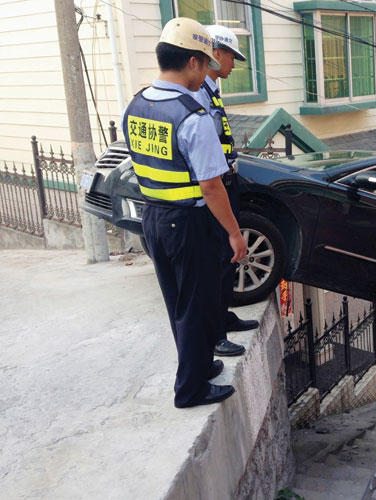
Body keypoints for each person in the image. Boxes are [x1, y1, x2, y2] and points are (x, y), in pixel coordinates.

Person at [122, 18, 248, 408]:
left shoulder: (138, 104)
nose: (207, 71)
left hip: (154, 218)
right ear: (192, 62)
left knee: (179, 301)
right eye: (205, 62)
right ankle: (191, 389)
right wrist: (234, 232)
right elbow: (211, 185)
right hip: (188, 222)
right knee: (195, 303)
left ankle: (198, 366)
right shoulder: (191, 117)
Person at [195, 24, 259, 359]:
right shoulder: (198, 94)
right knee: (216, 261)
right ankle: (215, 332)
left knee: (226, 262)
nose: (234, 64)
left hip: (226, 180)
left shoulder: (211, 90)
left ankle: (224, 315)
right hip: (211, 189)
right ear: (215, 54)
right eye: (232, 56)